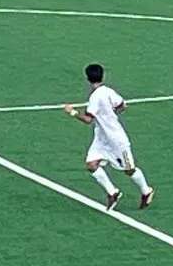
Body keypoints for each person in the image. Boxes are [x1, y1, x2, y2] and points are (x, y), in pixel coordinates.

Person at [64, 63, 155, 212]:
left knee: (129, 169)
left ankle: (146, 191)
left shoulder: (95, 97)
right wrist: (111, 115)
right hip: (102, 139)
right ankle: (113, 193)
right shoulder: (108, 91)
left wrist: (72, 112)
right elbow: (123, 106)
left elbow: (88, 120)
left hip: (117, 141)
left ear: (87, 79)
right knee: (91, 164)